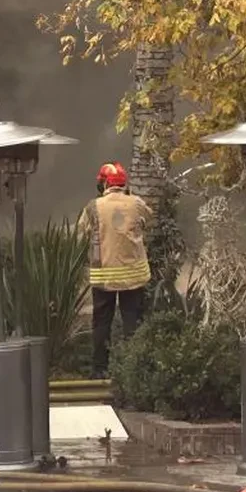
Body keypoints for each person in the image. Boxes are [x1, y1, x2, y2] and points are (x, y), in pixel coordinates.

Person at [78, 162, 152, 378]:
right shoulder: (136, 203)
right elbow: (148, 218)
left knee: (102, 322)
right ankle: (134, 372)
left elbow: (81, 233)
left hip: (104, 275)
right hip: (133, 275)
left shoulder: (93, 207)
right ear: (123, 184)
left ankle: (100, 369)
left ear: (103, 184)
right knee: (133, 322)